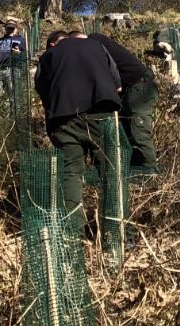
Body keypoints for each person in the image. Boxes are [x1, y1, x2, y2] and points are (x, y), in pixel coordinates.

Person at [33, 27, 123, 231]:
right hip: (102, 113)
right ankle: (115, 233)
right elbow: (117, 85)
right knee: (110, 170)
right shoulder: (96, 45)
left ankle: (75, 234)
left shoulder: (50, 54)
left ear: (54, 43)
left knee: (70, 173)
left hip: (64, 118)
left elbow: (41, 88)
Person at [88, 29, 159, 174]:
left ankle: (150, 173)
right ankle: (136, 170)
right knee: (128, 130)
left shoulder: (94, 41)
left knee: (138, 129)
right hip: (133, 88)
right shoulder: (96, 41)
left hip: (140, 87)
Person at [0, 16, 27, 98]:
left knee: (13, 96)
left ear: (16, 29)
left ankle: (13, 110)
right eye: (8, 28)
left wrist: (19, 53)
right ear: (5, 28)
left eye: (12, 28)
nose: (10, 30)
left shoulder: (21, 40)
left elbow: (26, 55)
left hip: (13, 69)